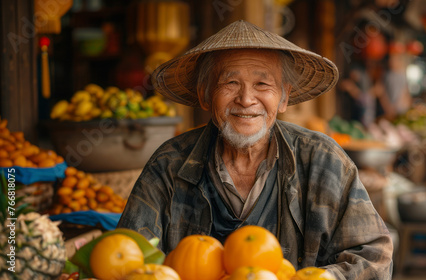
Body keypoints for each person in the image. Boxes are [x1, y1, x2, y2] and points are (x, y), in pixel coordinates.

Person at [117, 20, 393, 279]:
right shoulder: (169, 165)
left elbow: (373, 256)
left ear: (283, 97)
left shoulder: (323, 161)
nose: (246, 99)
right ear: (204, 95)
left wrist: (326, 277)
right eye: (230, 83)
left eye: (262, 84)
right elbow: (130, 257)